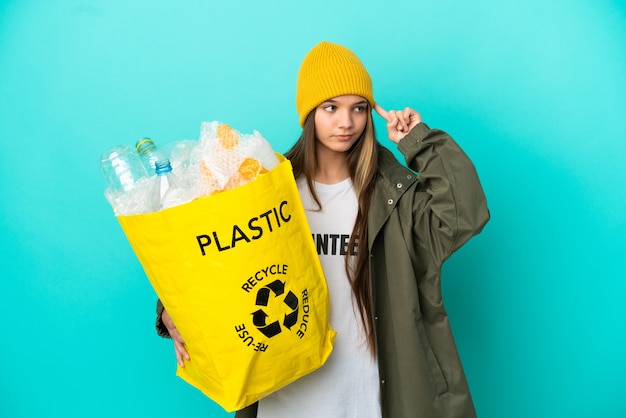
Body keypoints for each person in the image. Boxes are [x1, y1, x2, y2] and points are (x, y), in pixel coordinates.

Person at [156, 41, 489, 418]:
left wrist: (418, 141)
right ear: (309, 112)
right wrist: (171, 310)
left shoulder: (394, 196)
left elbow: (465, 214)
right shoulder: (265, 189)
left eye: (358, 108)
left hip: (369, 400)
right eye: (331, 107)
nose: (346, 122)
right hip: (285, 400)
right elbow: (213, 259)